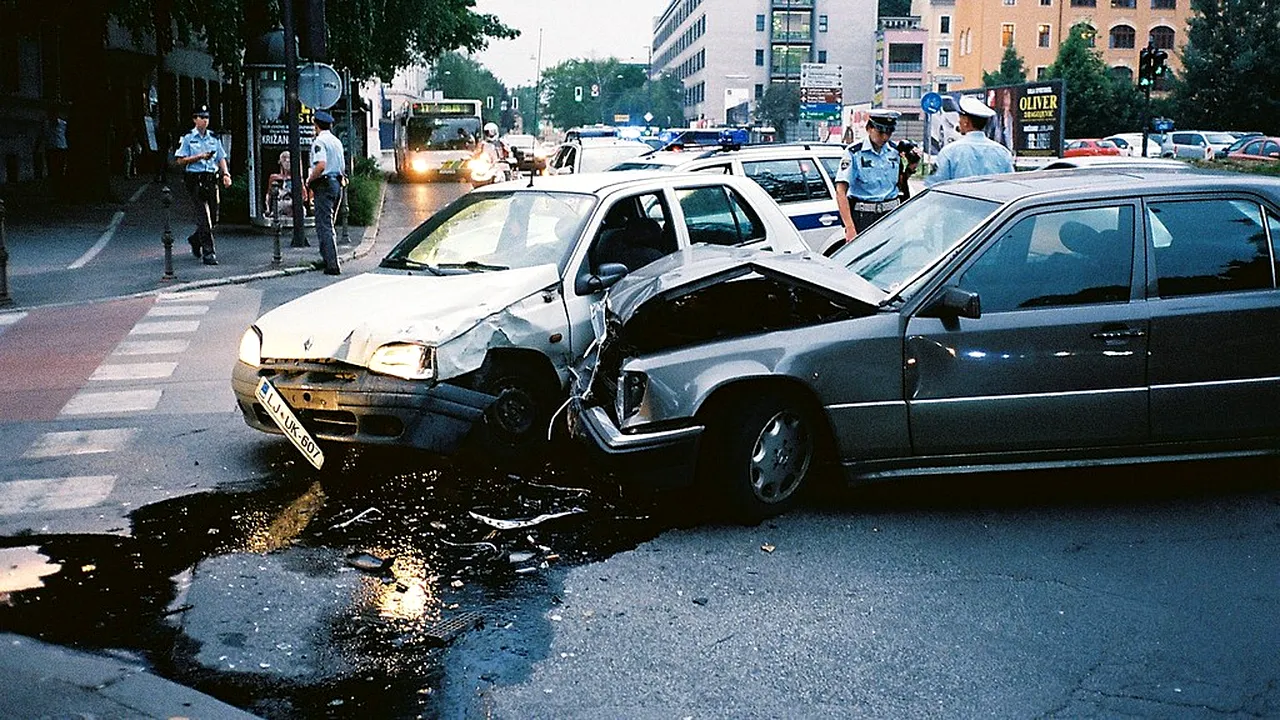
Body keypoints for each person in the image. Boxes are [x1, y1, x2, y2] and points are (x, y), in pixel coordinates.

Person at [833, 110, 903, 245]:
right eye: (880, 132)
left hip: (891, 214)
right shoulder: (854, 152)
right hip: (865, 216)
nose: (885, 137)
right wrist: (850, 227)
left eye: (889, 132)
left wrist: (911, 167)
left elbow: (900, 184)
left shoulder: (895, 151)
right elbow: (841, 191)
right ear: (869, 128)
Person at [173, 105, 231, 265]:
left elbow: (221, 157)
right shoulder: (188, 138)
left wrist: (226, 174)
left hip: (211, 179)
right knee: (204, 218)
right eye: (201, 117)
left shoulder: (213, 137)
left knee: (214, 216)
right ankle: (209, 253)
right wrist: (198, 157)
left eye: (207, 118)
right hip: (195, 179)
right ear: (195, 119)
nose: (205, 120)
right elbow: (179, 160)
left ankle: (195, 239)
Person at [926, 96, 1015, 186]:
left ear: (966, 121)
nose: (958, 121)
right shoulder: (1003, 153)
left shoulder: (949, 152)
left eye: (960, 117)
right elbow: (1011, 185)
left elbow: (933, 186)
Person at [306, 109, 346, 275]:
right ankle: (326, 257)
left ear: (316, 125)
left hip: (324, 185)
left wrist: (310, 180)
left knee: (324, 225)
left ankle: (332, 264)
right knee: (329, 224)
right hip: (337, 183)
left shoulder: (319, 142)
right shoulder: (336, 141)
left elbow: (321, 165)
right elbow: (342, 166)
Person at [265, 150, 308, 221]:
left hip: (293, 206)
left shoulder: (297, 178)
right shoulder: (274, 177)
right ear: (280, 162)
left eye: (289, 159)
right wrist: (268, 208)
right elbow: (269, 194)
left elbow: (304, 197)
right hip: (279, 206)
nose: (287, 161)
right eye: (284, 159)